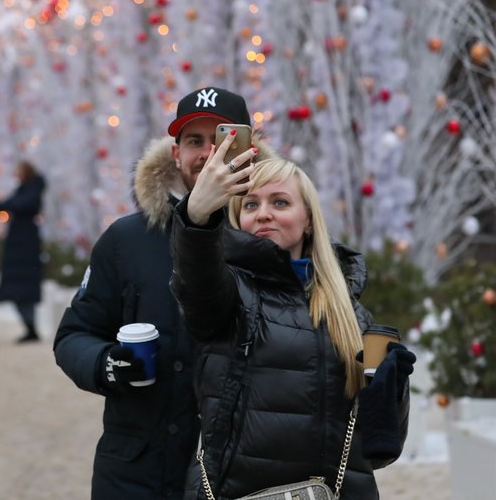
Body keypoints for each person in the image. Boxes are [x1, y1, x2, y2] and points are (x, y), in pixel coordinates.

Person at [54, 86, 266, 499]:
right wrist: (107, 365)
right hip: (137, 470)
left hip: (239, 472)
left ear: (249, 148)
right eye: (194, 141)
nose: (208, 153)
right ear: (175, 154)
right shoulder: (127, 239)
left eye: (221, 139)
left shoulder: (267, 232)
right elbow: (74, 335)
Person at [170, 148, 416, 499]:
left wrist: (392, 391)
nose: (264, 214)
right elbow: (195, 281)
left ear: (309, 219)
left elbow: (380, 450)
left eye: (280, 203)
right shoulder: (229, 291)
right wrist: (196, 218)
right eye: (250, 205)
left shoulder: (350, 313)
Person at [0, 160, 46, 343]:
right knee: (18, 290)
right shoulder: (24, 189)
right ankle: (30, 327)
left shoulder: (32, 190)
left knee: (23, 290)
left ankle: (31, 328)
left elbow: (15, 204)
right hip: (18, 244)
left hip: (25, 245)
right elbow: (8, 205)